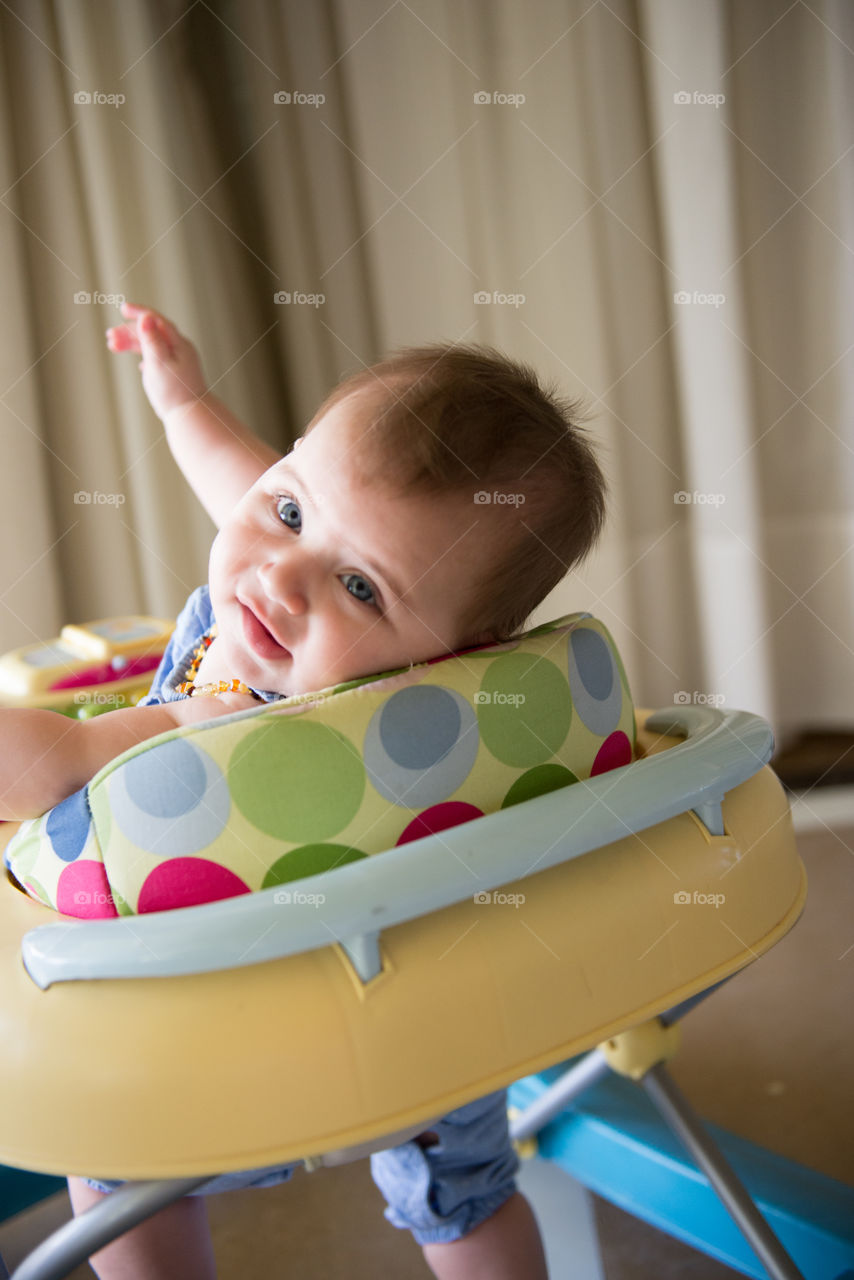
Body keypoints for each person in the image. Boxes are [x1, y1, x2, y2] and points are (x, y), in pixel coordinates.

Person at [4, 301, 608, 1278]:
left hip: (227, 1037)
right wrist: (184, 400)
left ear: (457, 648)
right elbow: (257, 493)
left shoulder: (233, 723)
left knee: (110, 1166)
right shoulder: (451, 699)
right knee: (469, 1195)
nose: (280, 580)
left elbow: (62, 759)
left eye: (360, 587)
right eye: (289, 509)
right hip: (434, 1027)